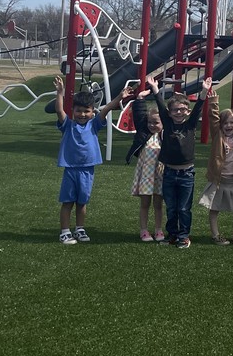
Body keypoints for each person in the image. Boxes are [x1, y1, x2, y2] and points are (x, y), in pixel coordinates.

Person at [53, 76, 129, 245]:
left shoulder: (94, 124)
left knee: (82, 202)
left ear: (92, 111)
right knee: (67, 202)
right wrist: (59, 93)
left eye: (86, 111)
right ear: (73, 111)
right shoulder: (68, 125)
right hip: (71, 169)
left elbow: (107, 108)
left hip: (87, 170)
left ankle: (80, 229)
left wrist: (120, 97)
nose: (82, 114)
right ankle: (65, 232)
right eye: (78, 111)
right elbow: (59, 111)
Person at [146, 74, 212, 249]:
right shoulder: (167, 124)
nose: (179, 112)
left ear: (187, 112)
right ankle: (173, 235)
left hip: (186, 174)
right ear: (169, 113)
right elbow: (161, 106)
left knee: (183, 208)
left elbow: (198, 108)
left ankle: (184, 236)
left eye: (182, 109)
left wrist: (204, 92)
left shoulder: (190, 125)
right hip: (169, 172)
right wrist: (155, 89)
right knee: (171, 207)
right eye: (175, 110)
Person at [197, 88, 233, 245]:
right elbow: (213, 119)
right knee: (214, 209)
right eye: (225, 123)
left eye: (232, 122)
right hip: (219, 180)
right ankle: (216, 235)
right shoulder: (218, 135)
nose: (229, 125)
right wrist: (213, 103)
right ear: (221, 125)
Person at [127, 88, 165, 242]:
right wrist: (140, 99)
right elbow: (139, 115)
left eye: (156, 122)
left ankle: (158, 229)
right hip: (145, 175)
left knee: (158, 204)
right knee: (145, 203)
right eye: (150, 122)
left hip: (160, 175)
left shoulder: (165, 136)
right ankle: (143, 230)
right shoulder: (144, 132)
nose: (152, 125)